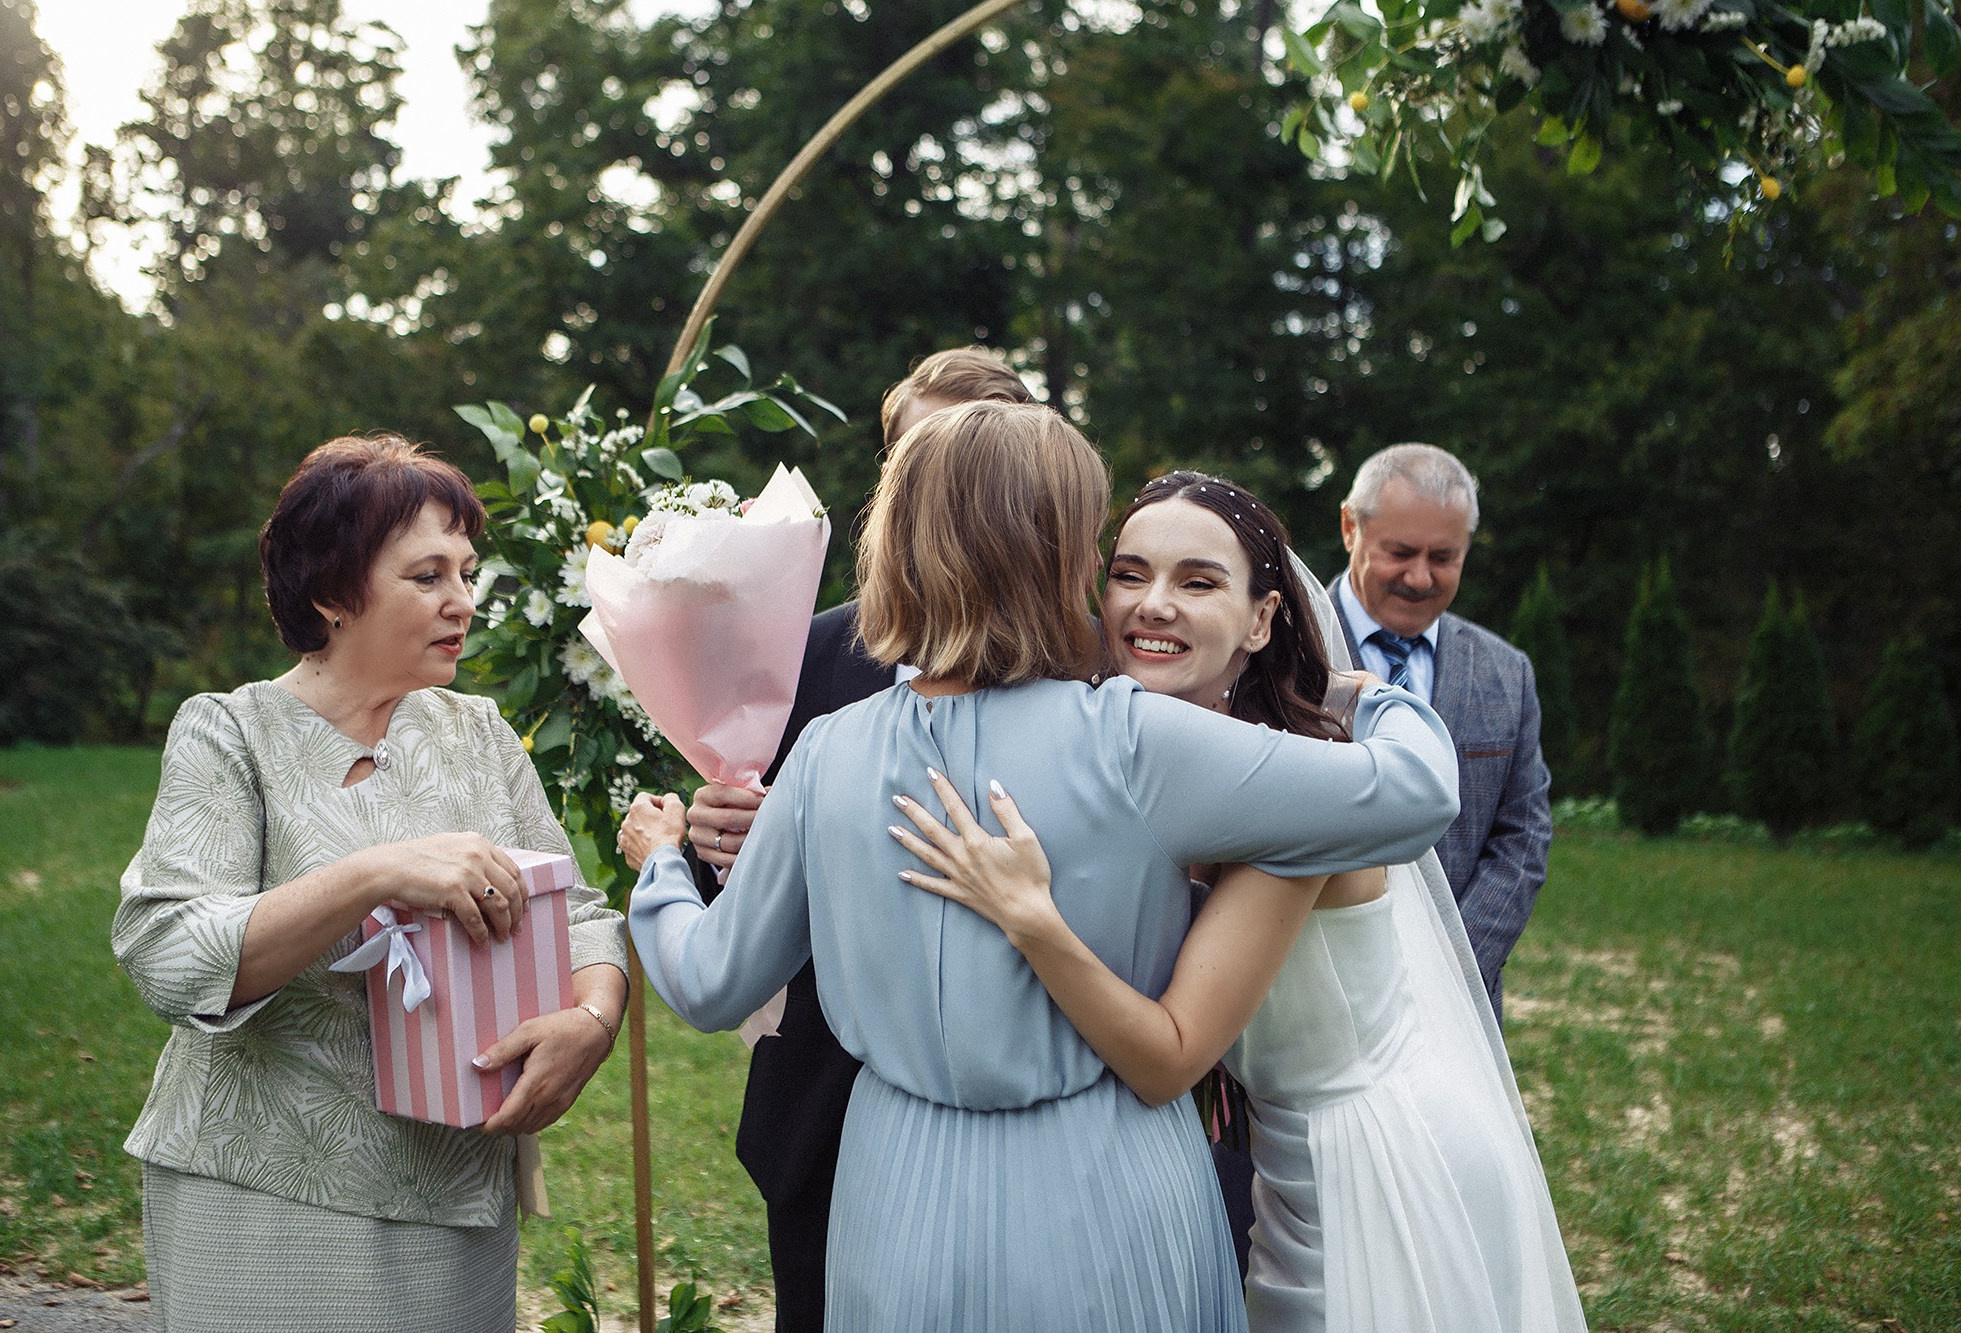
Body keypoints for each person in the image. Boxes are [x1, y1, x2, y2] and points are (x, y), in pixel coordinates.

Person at [617, 404, 1458, 1330]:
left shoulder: (824, 754)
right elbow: (1417, 795)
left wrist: (661, 865)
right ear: (1052, 555)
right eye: (1093, 542)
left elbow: (709, 982)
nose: (1098, 565)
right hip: (1108, 1193)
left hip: (892, 1199)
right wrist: (1371, 697)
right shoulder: (1132, 740)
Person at [891, 470, 1587, 1331]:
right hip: (1287, 1164)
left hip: (1379, 1169)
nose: (1154, 604)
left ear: (1262, 620)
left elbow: (1169, 1054)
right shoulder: (1137, 760)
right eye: (1131, 573)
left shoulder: (1291, 788)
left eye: (1198, 582)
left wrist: (1033, 919)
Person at [112, 435, 628, 1333]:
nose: (462, 601)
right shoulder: (231, 734)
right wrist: (377, 872)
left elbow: (579, 912)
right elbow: (168, 952)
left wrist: (593, 1019)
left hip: (456, 1196)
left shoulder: (479, 733)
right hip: (263, 1194)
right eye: (428, 576)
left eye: (466, 573)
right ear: (332, 592)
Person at [678, 346, 1031, 1332]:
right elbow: (733, 904)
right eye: (916, 458)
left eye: (969, 460)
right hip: (826, 1112)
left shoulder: (1083, 660)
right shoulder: (806, 652)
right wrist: (715, 841)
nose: (939, 487)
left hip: (1025, 1119)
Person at [1332, 442, 1552, 1016]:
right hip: (1318, 996)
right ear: (1350, 528)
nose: (1419, 577)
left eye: (1444, 557)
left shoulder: (1507, 673)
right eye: (1400, 552)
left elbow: (1523, 835)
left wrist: (1454, 965)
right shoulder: (1280, 650)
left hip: (1460, 1006)